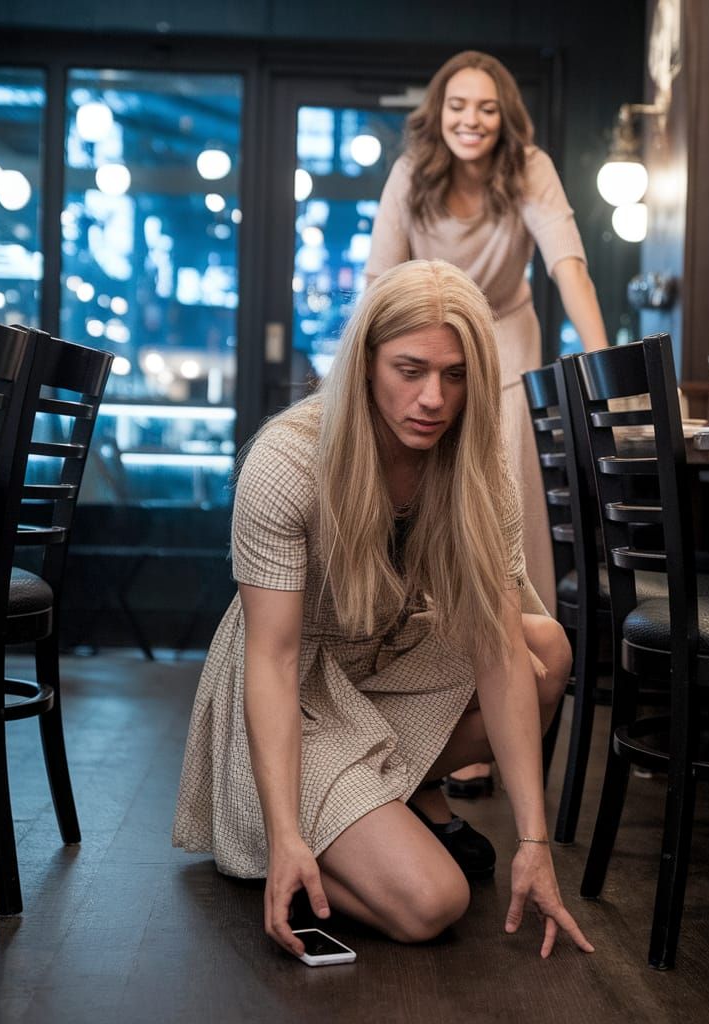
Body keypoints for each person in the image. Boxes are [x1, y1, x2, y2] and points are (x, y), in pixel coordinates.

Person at [173, 259, 593, 960]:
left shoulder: (475, 462)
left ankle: (393, 800)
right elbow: (271, 662)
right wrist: (284, 838)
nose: (433, 397)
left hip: (390, 659)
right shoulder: (287, 461)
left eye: (455, 375)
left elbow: (494, 646)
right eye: (410, 369)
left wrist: (534, 841)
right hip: (301, 691)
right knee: (434, 902)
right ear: (365, 361)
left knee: (543, 648)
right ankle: (318, 821)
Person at [366, 50, 610, 798]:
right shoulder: (412, 171)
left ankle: (500, 705)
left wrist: (602, 367)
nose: (471, 121)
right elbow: (379, 278)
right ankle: (428, 702)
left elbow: (569, 265)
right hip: (425, 339)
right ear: (438, 113)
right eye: (458, 107)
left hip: (502, 344)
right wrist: (363, 377)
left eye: (487, 109)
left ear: (506, 118)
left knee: (495, 516)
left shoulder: (529, 167)